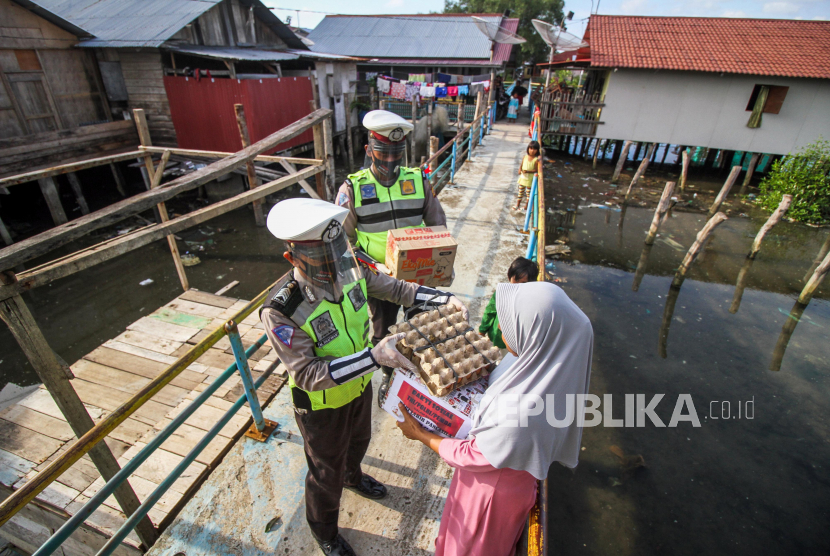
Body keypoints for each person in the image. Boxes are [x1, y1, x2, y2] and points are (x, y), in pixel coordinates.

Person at [260, 198, 468, 556]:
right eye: (320, 260)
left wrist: (443, 298)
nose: (332, 267)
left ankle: (354, 477)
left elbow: (395, 288)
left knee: (359, 441)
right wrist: (375, 356)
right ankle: (324, 531)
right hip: (321, 407)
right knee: (325, 473)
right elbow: (308, 374)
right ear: (292, 258)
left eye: (334, 254)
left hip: (357, 387)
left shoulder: (348, 267)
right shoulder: (282, 310)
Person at [396, 281, 593, 556]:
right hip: (494, 476)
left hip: (491, 495)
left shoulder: (524, 412)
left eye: (512, 323)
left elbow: (471, 455)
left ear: (537, 331)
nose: (500, 329)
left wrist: (421, 434)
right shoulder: (541, 366)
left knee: (468, 547)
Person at [335, 110, 448, 406]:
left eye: (396, 154)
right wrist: (372, 266)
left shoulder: (419, 181)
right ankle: (388, 374)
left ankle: (417, 372)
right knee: (382, 331)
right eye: (383, 154)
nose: (389, 161)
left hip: (417, 276)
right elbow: (341, 245)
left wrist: (432, 258)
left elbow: (439, 227)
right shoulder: (352, 189)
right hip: (377, 280)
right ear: (369, 150)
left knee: (420, 327)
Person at [479, 257, 538, 349]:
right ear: (509, 276)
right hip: (496, 337)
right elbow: (490, 312)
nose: (518, 285)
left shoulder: (531, 303)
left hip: (514, 344)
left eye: (523, 283)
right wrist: (482, 331)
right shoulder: (501, 293)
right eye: (516, 280)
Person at [514, 141, 541, 211]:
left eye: (534, 149)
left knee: (528, 194)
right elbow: (521, 165)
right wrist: (519, 170)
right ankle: (517, 204)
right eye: (531, 148)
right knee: (520, 192)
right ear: (528, 149)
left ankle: (526, 207)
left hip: (530, 179)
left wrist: (528, 171)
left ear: (537, 150)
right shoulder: (525, 157)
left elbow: (536, 170)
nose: (532, 151)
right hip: (523, 178)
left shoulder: (536, 160)